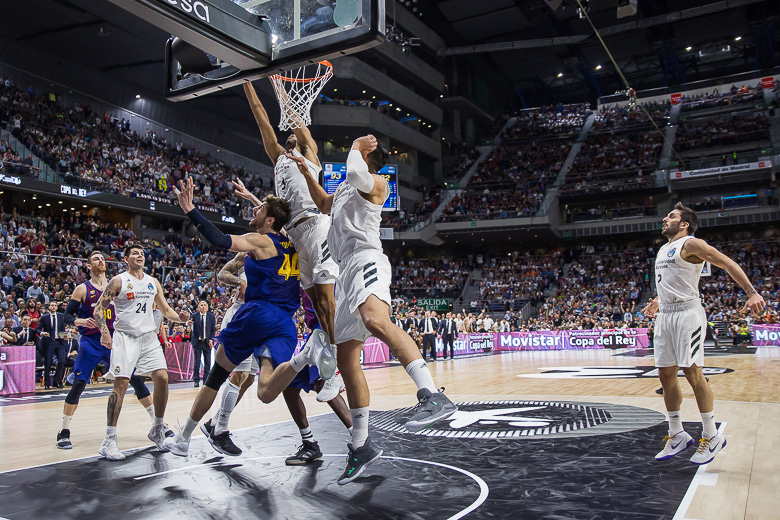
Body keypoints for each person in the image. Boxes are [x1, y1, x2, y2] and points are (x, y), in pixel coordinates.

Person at [290, 135, 457, 485]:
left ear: (367, 158)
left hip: (367, 260)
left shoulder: (375, 184)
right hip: (344, 272)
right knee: (347, 360)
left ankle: (432, 395)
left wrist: (353, 144)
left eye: (358, 156)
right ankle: (361, 443)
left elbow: (354, 173)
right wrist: (307, 173)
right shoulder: (345, 193)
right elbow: (323, 204)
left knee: (374, 319)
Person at [164, 178, 336, 457]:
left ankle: (183, 440)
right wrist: (256, 200)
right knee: (266, 391)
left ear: (268, 220)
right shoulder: (291, 241)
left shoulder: (260, 240)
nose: (253, 213)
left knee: (216, 376)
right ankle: (305, 356)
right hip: (285, 323)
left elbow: (220, 240)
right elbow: (273, 215)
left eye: (258, 211)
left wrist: (190, 209)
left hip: (258, 313)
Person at [643, 203, 764, 465]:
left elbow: (727, 262)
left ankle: (711, 435)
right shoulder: (664, 248)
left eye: (671, 216)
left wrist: (751, 292)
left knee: (693, 373)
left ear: (684, 224)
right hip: (666, 315)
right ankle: (677, 434)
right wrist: (657, 301)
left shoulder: (692, 244)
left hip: (688, 315)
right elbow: (672, 283)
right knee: (665, 374)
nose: (665, 218)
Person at [242, 81, 340, 362]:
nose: (291, 135)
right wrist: (248, 83)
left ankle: (336, 358)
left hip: (316, 225)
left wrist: (277, 83)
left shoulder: (308, 152)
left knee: (325, 299)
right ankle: (329, 355)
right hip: (293, 235)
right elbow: (261, 119)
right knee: (314, 304)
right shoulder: (277, 158)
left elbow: (295, 116)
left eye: (296, 134)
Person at [56, 250, 171, 450]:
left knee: (135, 380)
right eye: (95, 259)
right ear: (88, 266)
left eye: (102, 257)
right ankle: (64, 430)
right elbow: (66, 315)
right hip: (91, 341)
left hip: (117, 339)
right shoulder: (82, 289)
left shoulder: (118, 283)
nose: (100, 260)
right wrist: (80, 320)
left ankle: (158, 423)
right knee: (80, 383)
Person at [93, 243, 190, 461]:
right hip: (125, 337)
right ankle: (109, 440)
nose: (140, 256)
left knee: (163, 378)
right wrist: (103, 331)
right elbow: (99, 308)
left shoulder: (152, 282)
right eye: (135, 253)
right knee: (121, 383)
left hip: (148, 338)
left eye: (142, 254)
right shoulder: (118, 281)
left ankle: (157, 428)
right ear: (126, 259)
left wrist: (179, 318)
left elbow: (165, 310)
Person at [39, 301, 67, 389]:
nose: (53, 307)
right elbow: (38, 329)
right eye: (52, 305)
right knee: (48, 363)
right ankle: (47, 383)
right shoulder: (44, 317)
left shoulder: (61, 316)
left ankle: (57, 381)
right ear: (49, 307)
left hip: (59, 341)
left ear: (57, 307)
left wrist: (65, 335)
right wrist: (42, 333)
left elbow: (62, 329)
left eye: (55, 305)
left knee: (62, 361)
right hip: (49, 341)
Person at [190, 300, 216, 387]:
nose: (203, 306)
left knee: (207, 362)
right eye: (201, 305)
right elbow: (188, 323)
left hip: (206, 342)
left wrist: (211, 339)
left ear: (207, 307)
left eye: (205, 305)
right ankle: (196, 380)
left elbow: (213, 330)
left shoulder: (211, 316)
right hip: (197, 342)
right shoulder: (194, 315)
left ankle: (206, 380)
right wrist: (188, 323)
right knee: (197, 362)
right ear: (198, 307)